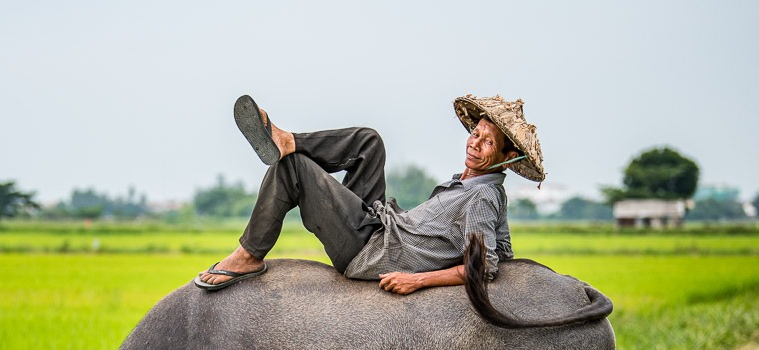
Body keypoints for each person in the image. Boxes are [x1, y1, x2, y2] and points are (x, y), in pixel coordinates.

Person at [195, 94, 545, 294]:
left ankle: (248, 254)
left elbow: (484, 266)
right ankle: (287, 140)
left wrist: (418, 278)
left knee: (293, 169)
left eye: (489, 143)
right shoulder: (476, 188)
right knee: (369, 142)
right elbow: (502, 251)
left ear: (505, 159)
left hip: (373, 250)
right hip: (382, 227)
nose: (475, 144)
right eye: (477, 134)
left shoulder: (482, 195)